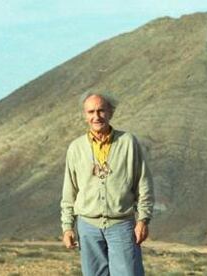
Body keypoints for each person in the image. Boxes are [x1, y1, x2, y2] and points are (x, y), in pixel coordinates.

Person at [60, 92, 154, 276]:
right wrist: (67, 227)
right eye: (91, 112)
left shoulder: (127, 142)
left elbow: (143, 184)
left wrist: (143, 219)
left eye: (101, 111)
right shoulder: (76, 148)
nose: (96, 116)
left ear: (111, 112)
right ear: (85, 115)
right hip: (87, 226)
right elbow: (69, 191)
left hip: (122, 225)